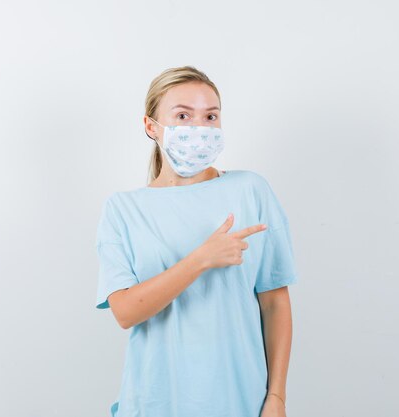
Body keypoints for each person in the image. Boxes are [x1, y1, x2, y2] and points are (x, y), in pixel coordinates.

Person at [95, 65, 299, 417]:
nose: (199, 128)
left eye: (210, 116)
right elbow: (126, 312)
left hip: (239, 399)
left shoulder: (251, 191)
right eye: (183, 116)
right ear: (151, 127)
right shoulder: (124, 209)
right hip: (156, 401)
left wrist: (276, 397)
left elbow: (275, 304)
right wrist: (202, 258)